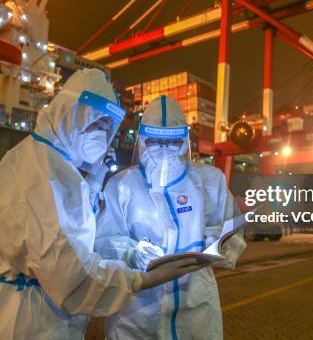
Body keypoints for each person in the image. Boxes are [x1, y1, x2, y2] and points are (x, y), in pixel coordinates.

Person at [0, 69, 201, 339]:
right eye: (95, 123)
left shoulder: (57, 165)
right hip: (18, 321)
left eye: (107, 126)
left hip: (41, 312)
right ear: (68, 115)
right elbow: (69, 275)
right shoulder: (41, 171)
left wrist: (93, 182)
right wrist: (142, 279)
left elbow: (73, 236)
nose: (101, 134)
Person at [95, 95, 247, 339]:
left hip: (196, 309)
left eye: (173, 141)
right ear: (143, 140)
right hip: (137, 315)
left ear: (184, 141)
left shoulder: (209, 182)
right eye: (155, 141)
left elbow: (234, 233)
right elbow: (103, 242)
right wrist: (133, 252)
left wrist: (216, 242)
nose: (164, 148)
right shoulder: (122, 186)